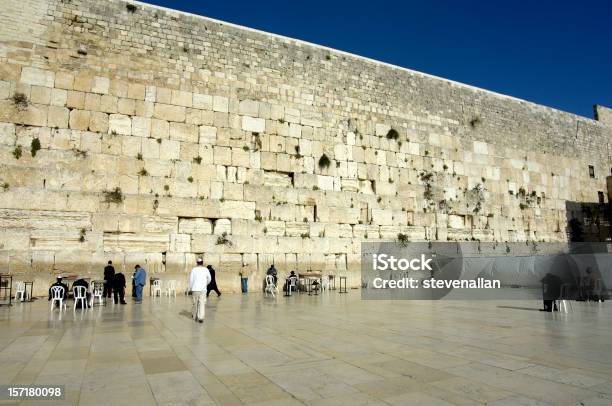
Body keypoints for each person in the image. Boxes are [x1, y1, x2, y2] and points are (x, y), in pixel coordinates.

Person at [189, 258, 211, 323]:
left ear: (197, 263)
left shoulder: (194, 269)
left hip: (195, 289)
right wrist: (205, 284)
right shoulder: (206, 269)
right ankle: (201, 317)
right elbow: (209, 279)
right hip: (203, 289)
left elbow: (191, 280)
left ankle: (195, 316)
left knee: (195, 303)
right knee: (202, 303)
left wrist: (191, 288)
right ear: (202, 262)